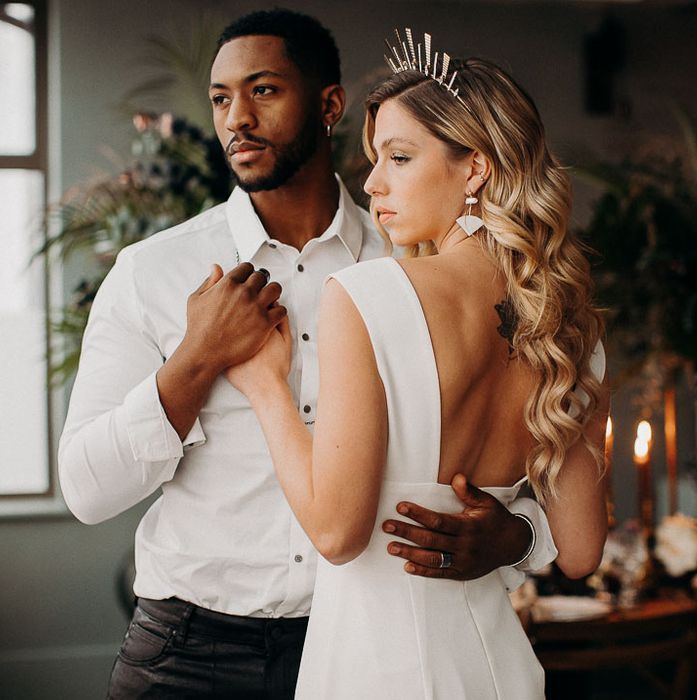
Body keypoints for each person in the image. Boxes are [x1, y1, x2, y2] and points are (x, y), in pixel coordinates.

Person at [57, 10, 557, 699]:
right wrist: (195, 362)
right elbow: (86, 490)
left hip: (363, 651)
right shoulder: (155, 273)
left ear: (329, 105)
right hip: (187, 655)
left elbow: (514, 458)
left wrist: (520, 538)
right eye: (221, 98)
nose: (237, 118)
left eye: (262, 91)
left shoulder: (415, 269)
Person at [226, 31, 610, 700]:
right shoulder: (569, 326)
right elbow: (579, 553)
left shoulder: (368, 295)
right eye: (375, 159)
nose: (372, 183)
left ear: (475, 169)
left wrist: (264, 388)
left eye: (399, 158)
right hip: (498, 667)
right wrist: (512, 538)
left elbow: (337, 532)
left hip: (378, 669)